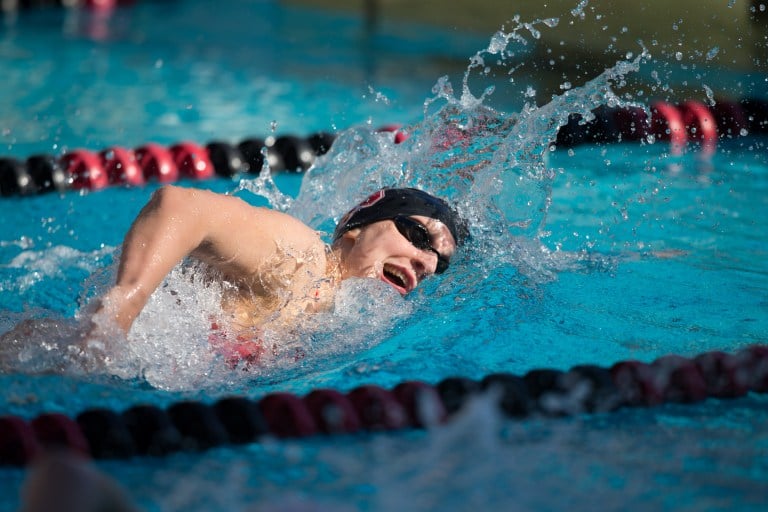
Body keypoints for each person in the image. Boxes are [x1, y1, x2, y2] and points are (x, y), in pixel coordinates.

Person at [89, 185, 468, 352]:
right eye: (418, 235)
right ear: (355, 231)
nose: (427, 262)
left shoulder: (340, 317)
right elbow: (180, 205)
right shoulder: (302, 261)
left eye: (440, 263)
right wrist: (126, 303)